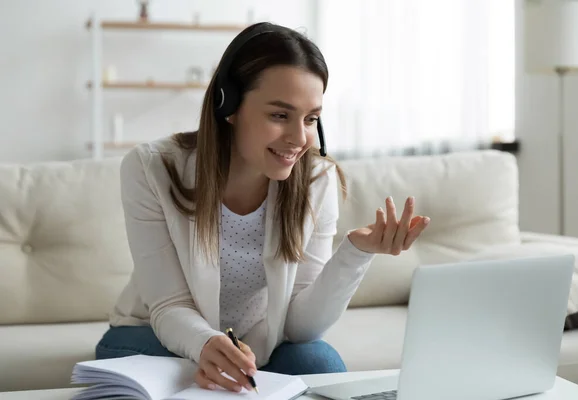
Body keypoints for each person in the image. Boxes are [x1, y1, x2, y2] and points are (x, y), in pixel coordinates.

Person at [95, 21, 430, 393]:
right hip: (155, 334)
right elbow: (169, 304)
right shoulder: (152, 168)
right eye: (280, 115)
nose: (300, 139)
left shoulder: (317, 180)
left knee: (318, 361)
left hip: (257, 343)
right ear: (229, 104)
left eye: (311, 118)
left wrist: (356, 252)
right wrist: (206, 346)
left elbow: (301, 328)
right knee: (204, 379)